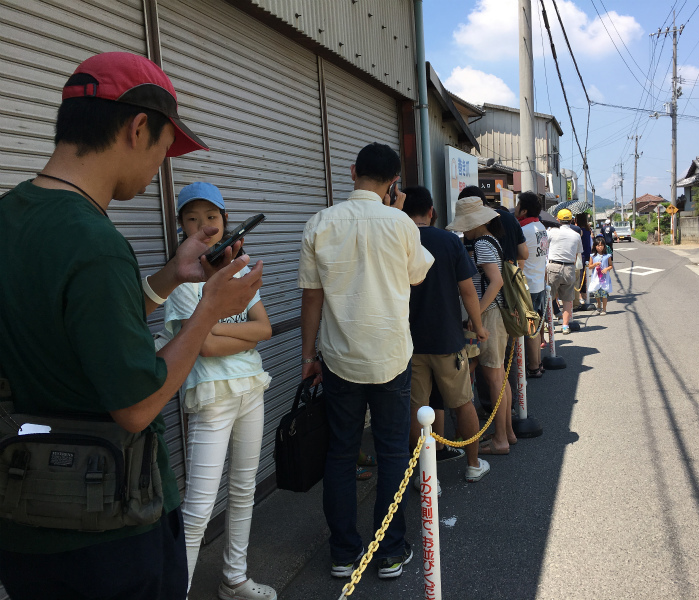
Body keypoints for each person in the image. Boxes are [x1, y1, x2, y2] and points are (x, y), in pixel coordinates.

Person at [0, 52, 263, 599]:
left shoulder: (12, 216)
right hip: (109, 527)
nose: (159, 170)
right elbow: (138, 403)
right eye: (165, 151)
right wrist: (210, 307)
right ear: (138, 128)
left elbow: (74, 328)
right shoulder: (94, 243)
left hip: (23, 515)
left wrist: (170, 276)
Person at [298, 143, 434, 580]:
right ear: (394, 181)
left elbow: (311, 297)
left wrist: (308, 354)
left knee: (341, 454)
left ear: (352, 171)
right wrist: (394, 209)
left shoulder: (319, 223)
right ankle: (391, 551)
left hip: (339, 359)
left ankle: (343, 553)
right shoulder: (400, 223)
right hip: (391, 355)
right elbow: (417, 275)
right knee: (393, 452)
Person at [163, 182, 275, 600]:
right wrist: (229, 335)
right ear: (181, 227)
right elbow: (203, 346)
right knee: (197, 510)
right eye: (192, 219)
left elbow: (263, 328)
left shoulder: (240, 272)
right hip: (211, 397)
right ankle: (179, 591)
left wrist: (214, 330)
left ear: (226, 221)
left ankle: (235, 578)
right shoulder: (181, 276)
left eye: (211, 217)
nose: (204, 226)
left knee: (244, 491)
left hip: (251, 387)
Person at [402, 186, 491, 482]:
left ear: (403, 210)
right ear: (431, 212)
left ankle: (425, 477)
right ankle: (473, 465)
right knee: (463, 402)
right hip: (447, 339)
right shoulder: (448, 242)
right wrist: (478, 328)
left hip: (409, 342)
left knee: (417, 409)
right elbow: (467, 290)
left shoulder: (398, 241)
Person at [447, 197, 515, 456]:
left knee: (494, 378)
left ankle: (500, 440)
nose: (464, 230)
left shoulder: (483, 244)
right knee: (500, 377)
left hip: (490, 315)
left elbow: (495, 282)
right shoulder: (491, 241)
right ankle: (506, 432)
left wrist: (477, 315)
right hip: (497, 315)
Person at [515, 192, 548, 378]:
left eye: (518, 205)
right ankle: (538, 363)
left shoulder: (523, 230)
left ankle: (534, 367)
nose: (515, 208)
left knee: (529, 329)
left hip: (527, 285)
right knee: (534, 328)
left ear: (524, 210)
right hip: (539, 283)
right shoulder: (540, 226)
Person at [459, 185, 529, 266]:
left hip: (488, 277)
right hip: (510, 275)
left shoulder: (475, 225)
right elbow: (524, 254)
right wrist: (507, 258)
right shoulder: (511, 218)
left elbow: (471, 259)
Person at [546, 209, 582, 336]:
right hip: (569, 267)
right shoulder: (576, 235)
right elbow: (577, 254)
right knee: (567, 299)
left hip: (553, 265)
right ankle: (565, 326)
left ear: (558, 219)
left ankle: (549, 325)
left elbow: (544, 247)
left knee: (549, 297)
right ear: (571, 220)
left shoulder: (551, 232)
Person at [588, 237, 614, 315]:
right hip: (596, 278)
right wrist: (595, 264)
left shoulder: (607, 255)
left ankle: (604, 309)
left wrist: (606, 269)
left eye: (602, 245)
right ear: (595, 246)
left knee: (604, 294)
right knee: (596, 293)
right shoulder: (592, 256)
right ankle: (598, 303)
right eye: (598, 245)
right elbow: (589, 266)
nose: (600, 247)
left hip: (604, 279)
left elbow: (611, 265)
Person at [574, 213, 593, 311]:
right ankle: (585, 295)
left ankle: (581, 297)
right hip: (587, 254)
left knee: (580, 276)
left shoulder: (578, 231)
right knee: (584, 276)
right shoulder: (587, 230)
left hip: (580, 255)